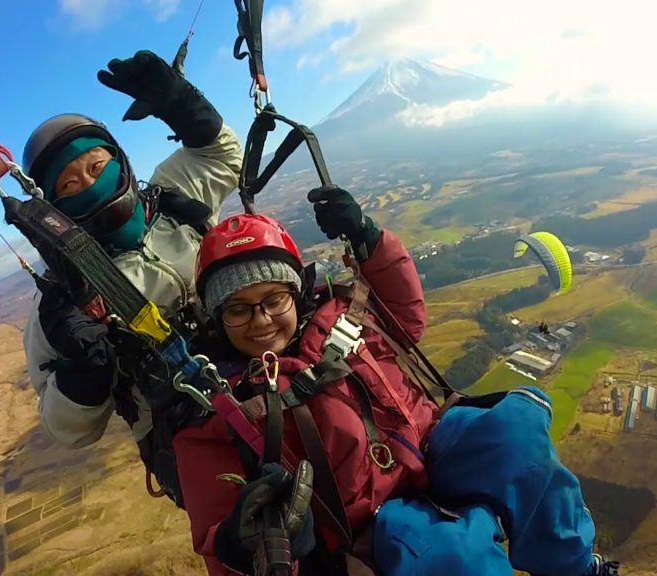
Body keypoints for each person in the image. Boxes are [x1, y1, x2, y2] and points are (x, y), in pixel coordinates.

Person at [176, 186, 620, 576]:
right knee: (451, 557)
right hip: (374, 520)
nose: (261, 320)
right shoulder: (220, 410)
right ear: (217, 317)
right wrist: (241, 540)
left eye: (274, 299)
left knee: (518, 430)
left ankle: (575, 567)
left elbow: (408, 320)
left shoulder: (341, 316)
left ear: (295, 292)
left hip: (433, 442)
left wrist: (370, 240)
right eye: (238, 309)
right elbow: (217, 535)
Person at [21, 50, 242, 500]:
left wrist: (182, 105)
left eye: (96, 166)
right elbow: (66, 429)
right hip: (189, 439)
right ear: (55, 205)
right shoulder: (64, 295)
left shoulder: (171, 197)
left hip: (260, 362)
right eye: (69, 184)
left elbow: (222, 156)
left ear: (119, 159)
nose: (90, 184)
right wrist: (83, 373)